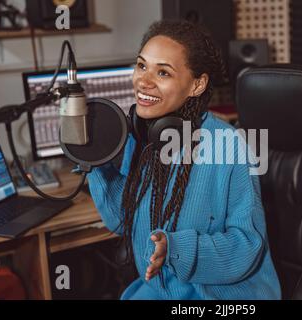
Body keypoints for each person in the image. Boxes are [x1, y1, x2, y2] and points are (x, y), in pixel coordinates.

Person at [87, 19, 281, 300]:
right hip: (161, 289)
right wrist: (96, 163)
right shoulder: (143, 137)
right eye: (142, 65)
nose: (144, 80)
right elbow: (123, 220)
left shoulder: (229, 146)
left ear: (197, 84)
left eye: (163, 72)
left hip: (225, 296)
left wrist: (176, 249)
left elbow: (247, 248)